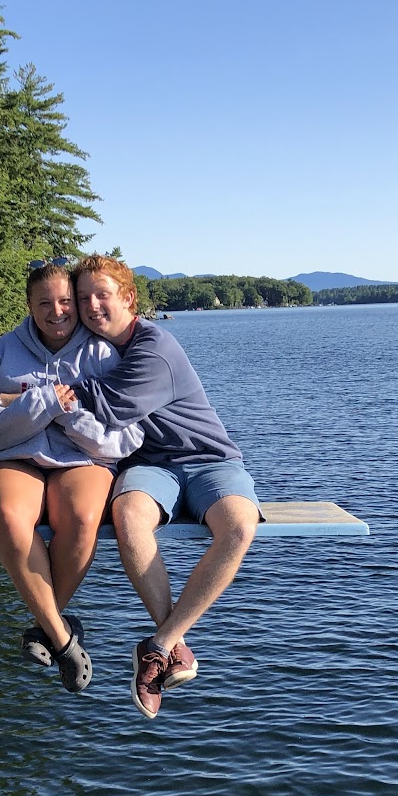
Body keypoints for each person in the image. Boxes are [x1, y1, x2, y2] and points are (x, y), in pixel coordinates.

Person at [56, 254, 261, 718]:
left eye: (102, 295)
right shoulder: (88, 345)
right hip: (152, 465)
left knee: (239, 527)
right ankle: (174, 646)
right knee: (128, 517)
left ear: (128, 298)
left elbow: (110, 405)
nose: (92, 306)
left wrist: (23, 397)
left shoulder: (155, 347)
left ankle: (159, 643)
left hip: (210, 460)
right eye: (83, 297)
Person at [0, 261, 143, 692]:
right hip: (15, 456)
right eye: (45, 302)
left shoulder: (103, 353)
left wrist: (66, 417)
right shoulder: (2, 351)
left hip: (83, 457)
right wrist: (44, 403)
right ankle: (64, 638)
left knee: (83, 517)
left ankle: (43, 627)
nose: (58, 311)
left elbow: (122, 438)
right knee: (12, 518)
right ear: (29, 305)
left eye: (66, 301)